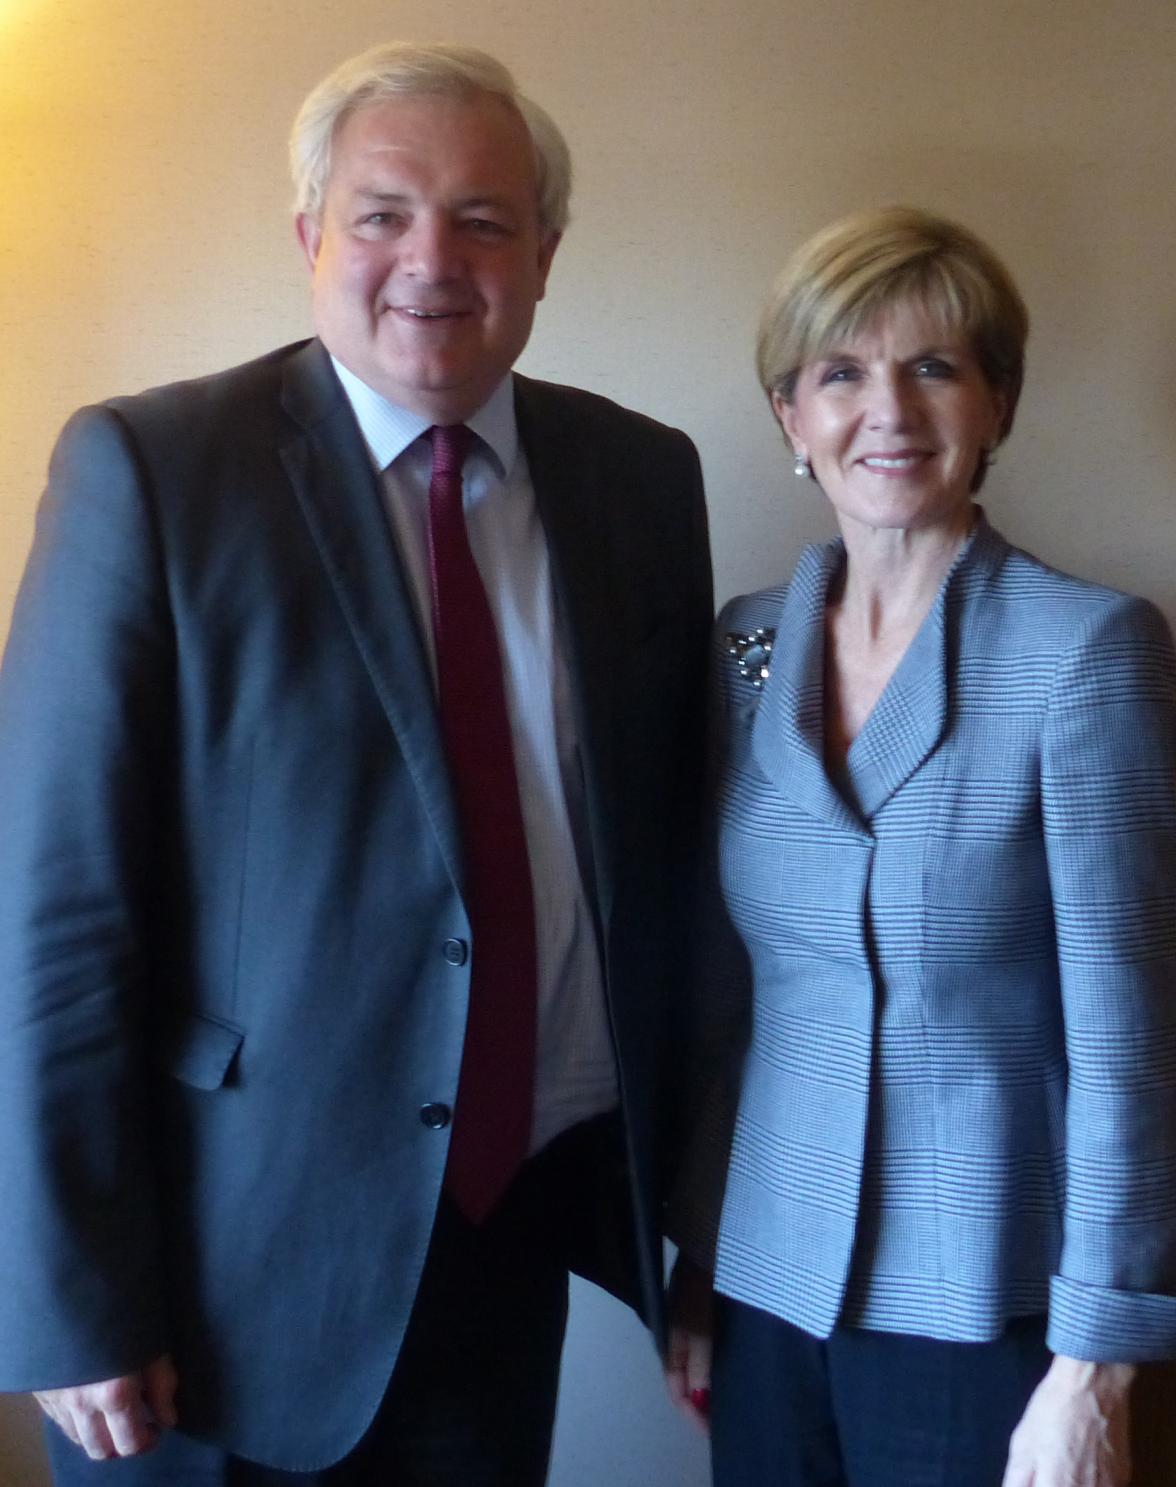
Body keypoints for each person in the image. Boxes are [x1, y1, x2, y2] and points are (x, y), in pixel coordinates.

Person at [0, 41, 712, 1486]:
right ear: (310, 235)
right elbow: (51, 908)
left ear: (548, 252)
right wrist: (67, 1293)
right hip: (213, 1270)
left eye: (485, 219)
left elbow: (671, 856)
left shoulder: (642, 476)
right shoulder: (152, 469)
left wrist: (694, 1205)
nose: (430, 259)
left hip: (508, 1227)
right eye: (383, 212)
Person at [665, 206, 1176, 1487]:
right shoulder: (744, 647)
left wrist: (1097, 1364)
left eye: (934, 367)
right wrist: (698, 1251)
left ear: (996, 402)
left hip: (985, 1298)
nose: (886, 409)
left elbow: (1133, 1036)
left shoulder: (1088, 651)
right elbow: (732, 1001)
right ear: (790, 414)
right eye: (841, 372)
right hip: (766, 1290)